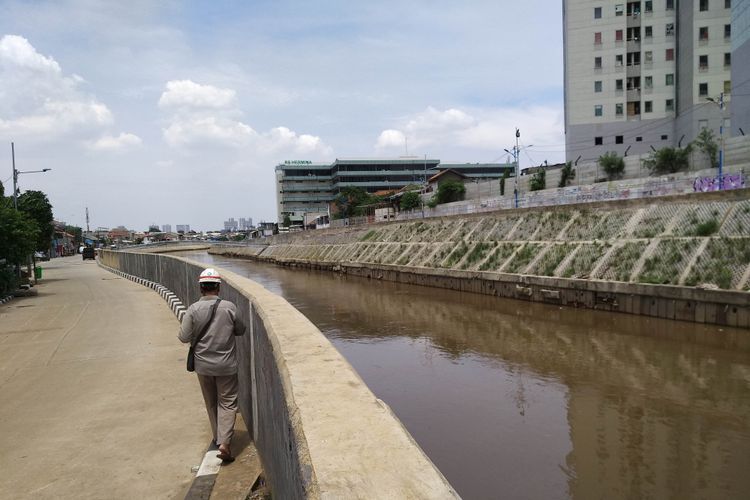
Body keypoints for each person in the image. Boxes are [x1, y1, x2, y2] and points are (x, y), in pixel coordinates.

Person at [179, 268, 245, 462]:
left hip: (203, 366)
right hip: (226, 365)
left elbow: (183, 337)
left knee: (211, 402)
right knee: (227, 402)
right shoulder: (229, 307)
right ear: (218, 287)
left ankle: (218, 439)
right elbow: (241, 330)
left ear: (201, 288)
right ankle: (225, 443)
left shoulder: (193, 309)